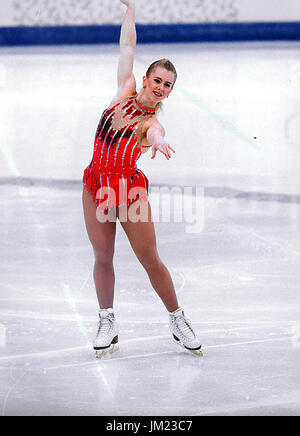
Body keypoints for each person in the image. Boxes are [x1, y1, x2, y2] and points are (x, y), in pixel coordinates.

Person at [82, 0, 202, 358]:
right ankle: (107, 320)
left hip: (127, 192)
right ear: (146, 79)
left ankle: (177, 318)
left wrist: (160, 142)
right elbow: (127, 47)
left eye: (168, 85)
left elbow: (154, 134)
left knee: (150, 259)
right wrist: (130, 8)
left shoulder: (152, 123)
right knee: (102, 255)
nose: (162, 87)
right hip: (95, 186)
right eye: (158, 80)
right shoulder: (124, 88)